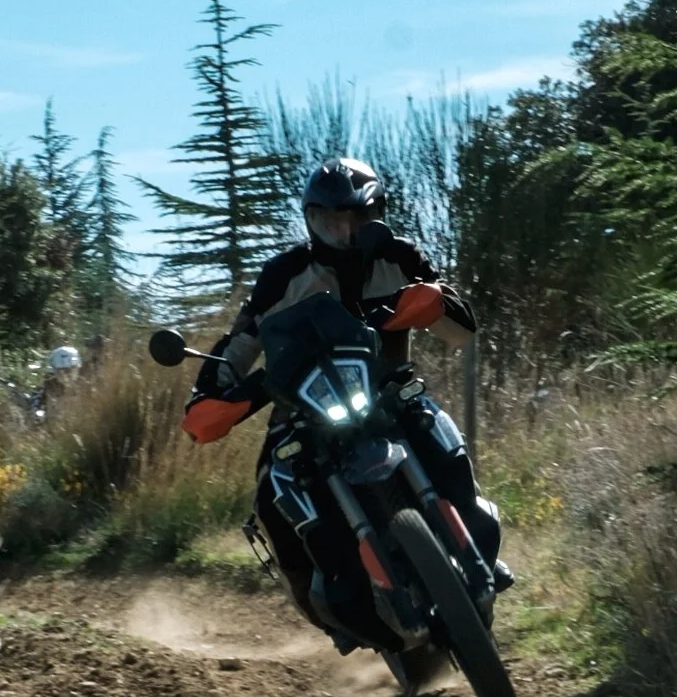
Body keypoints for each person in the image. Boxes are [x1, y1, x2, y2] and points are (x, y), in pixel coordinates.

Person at [182, 156, 511, 653]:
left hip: (387, 392)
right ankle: (327, 605)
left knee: (436, 431)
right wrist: (210, 389)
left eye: (355, 217)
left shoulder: (399, 255)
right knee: (271, 493)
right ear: (310, 220)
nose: (342, 230)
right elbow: (240, 343)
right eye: (328, 220)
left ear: (376, 213)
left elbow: (459, 329)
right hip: (303, 411)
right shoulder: (283, 274)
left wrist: (434, 298)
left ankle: (473, 532)